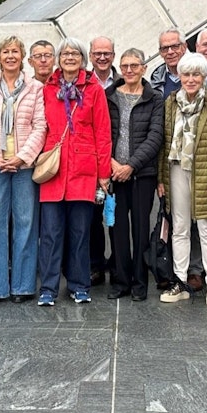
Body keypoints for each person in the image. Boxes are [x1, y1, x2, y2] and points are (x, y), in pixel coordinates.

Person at [36, 37, 113, 306]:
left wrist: (104, 172)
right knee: (51, 233)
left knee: (80, 233)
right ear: (59, 58)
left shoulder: (94, 89)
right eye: (65, 53)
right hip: (54, 169)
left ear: (83, 58)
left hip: (83, 169)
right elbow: (39, 126)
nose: (70, 57)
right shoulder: (47, 88)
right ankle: (48, 287)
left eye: (75, 53)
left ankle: (80, 284)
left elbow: (103, 132)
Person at [0, 36, 46, 304]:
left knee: (26, 224)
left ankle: (23, 287)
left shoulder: (35, 88)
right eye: (6, 51)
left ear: (22, 56)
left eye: (15, 51)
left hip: (24, 167)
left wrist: (22, 157)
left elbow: (40, 126)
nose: (11, 56)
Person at [158, 52, 207, 307]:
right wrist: (161, 178)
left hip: (205, 174)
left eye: (196, 74)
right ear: (179, 76)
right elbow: (163, 143)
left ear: (204, 76)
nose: (191, 79)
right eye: (186, 74)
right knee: (179, 227)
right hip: (176, 170)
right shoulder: (170, 103)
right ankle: (179, 281)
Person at [105, 49, 164, 301]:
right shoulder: (107, 96)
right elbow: (102, 132)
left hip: (142, 175)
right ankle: (121, 281)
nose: (129, 70)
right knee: (117, 229)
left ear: (144, 67)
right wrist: (112, 164)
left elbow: (155, 136)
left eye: (134, 65)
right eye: (125, 65)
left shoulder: (155, 98)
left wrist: (130, 166)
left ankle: (140, 283)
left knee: (141, 229)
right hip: (113, 174)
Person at [87, 36, 119, 286]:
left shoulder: (124, 81)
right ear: (90, 55)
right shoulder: (83, 83)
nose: (102, 57)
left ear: (113, 55)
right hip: (93, 160)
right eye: (97, 53)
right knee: (93, 217)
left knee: (116, 216)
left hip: (122, 160)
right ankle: (95, 265)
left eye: (106, 53)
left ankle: (118, 264)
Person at [150, 28, 188, 100]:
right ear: (160, 53)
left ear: (184, 47)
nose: (170, 52)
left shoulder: (199, 72)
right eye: (165, 48)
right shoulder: (155, 81)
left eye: (175, 46)